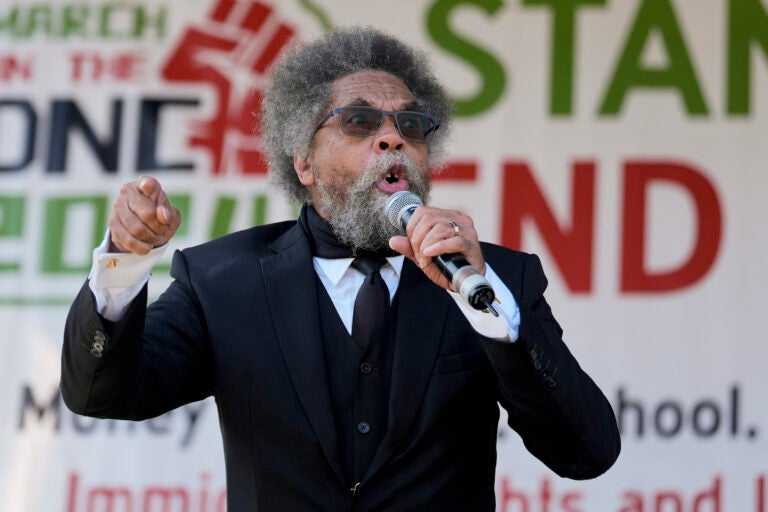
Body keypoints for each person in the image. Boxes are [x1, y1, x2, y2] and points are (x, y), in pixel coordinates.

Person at [61, 27, 620, 511]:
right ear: (302, 161)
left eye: (412, 125)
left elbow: (586, 452)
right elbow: (102, 394)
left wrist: (492, 311)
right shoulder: (222, 280)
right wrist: (125, 263)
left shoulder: (497, 278)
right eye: (358, 121)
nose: (392, 136)